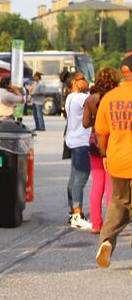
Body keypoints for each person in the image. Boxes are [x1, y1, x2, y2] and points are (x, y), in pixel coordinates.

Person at [95, 55, 132, 270]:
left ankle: (107, 240)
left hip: (118, 160)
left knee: (118, 203)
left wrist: (106, 154)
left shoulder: (110, 98)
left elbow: (101, 133)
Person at [82, 67, 122, 233]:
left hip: (94, 142)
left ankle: (96, 224)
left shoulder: (90, 99)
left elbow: (85, 123)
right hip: (111, 142)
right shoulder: (115, 99)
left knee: (97, 184)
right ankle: (111, 224)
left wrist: (96, 122)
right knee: (110, 185)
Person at [63, 73, 93, 230]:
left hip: (73, 141)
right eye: (82, 78)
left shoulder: (70, 97)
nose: (86, 81)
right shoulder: (81, 98)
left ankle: (72, 212)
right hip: (82, 142)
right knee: (80, 180)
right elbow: (95, 104)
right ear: (75, 82)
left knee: (74, 179)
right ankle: (77, 215)